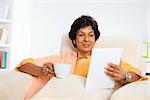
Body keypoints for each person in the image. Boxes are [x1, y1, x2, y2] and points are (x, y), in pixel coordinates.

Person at [15, 15, 145, 100]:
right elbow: (24, 64)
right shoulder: (64, 58)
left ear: (95, 39)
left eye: (91, 35)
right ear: (74, 40)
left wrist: (125, 76)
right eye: (81, 35)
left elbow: (138, 75)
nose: (86, 39)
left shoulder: (106, 58)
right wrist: (41, 70)